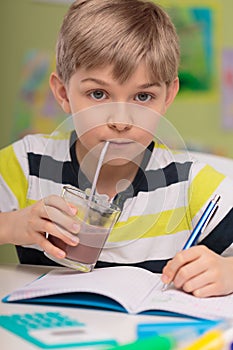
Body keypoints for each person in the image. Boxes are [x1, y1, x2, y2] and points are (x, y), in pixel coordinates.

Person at [0, 0, 233, 298]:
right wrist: (10, 225)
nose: (121, 121)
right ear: (63, 93)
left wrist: (228, 272)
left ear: (168, 96)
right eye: (98, 94)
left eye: (143, 96)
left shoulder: (190, 184)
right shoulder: (27, 163)